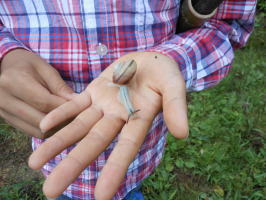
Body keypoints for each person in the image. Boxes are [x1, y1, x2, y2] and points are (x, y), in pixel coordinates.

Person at [0, 0, 256, 199]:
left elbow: (228, 22)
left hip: (139, 155)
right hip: (60, 150)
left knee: (125, 187)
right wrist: (6, 54)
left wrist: (174, 60)